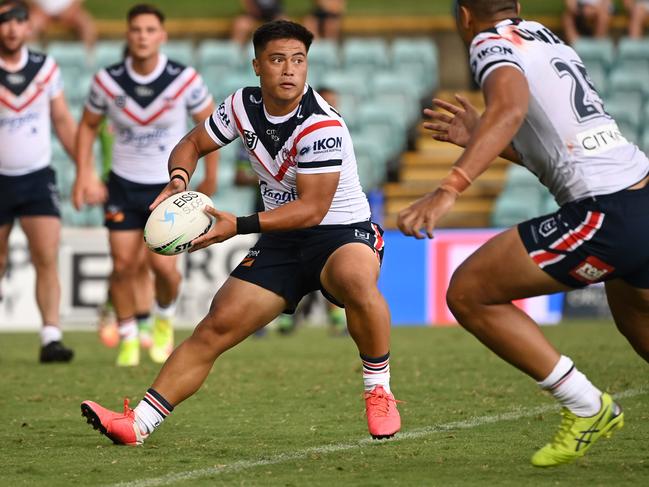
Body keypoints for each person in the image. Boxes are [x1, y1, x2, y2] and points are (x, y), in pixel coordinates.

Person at [80, 19, 400, 445]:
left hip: (340, 232)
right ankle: (137, 424)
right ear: (256, 66)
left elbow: (312, 209)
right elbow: (192, 143)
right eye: (277, 59)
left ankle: (378, 389)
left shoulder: (322, 126)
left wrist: (237, 226)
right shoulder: (241, 106)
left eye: (298, 60)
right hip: (283, 241)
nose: (289, 69)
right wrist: (178, 180)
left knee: (356, 281)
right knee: (215, 327)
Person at [398, 0, 649, 467]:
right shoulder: (543, 35)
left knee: (470, 292)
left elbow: (510, 109)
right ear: (518, 6)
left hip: (605, 211)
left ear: (465, 15)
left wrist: (450, 187)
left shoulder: (488, 42)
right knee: (641, 331)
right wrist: (480, 137)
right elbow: (555, 146)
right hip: (640, 194)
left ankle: (587, 406)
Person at [73, 3, 217, 367]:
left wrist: (210, 175)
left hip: (168, 186)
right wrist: (84, 173)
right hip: (122, 184)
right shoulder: (107, 82)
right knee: (122, 266)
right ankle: (127, 338)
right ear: (128, 35)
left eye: (150, 30)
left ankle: (164, 320)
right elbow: (88, 125)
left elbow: (211, 127)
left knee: (165, 270)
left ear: (162, 36)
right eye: (136, 30)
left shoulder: (185, 80)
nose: (143, 36)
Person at [0, 0, 76, 362]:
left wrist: (86, 169)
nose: (12, 28)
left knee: (46, 255)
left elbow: (62, 120)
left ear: (28, 26)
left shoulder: (45, 68)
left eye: (18, 21)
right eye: (4, 22)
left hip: (36, 176)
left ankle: (51, 337)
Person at [29, 0, 97, 49]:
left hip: (70, 10)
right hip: (41, 12)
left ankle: (88, 61)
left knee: (87, 26)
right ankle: (31, 60)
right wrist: (37, 8)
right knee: (31, 27)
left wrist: (72, 8)